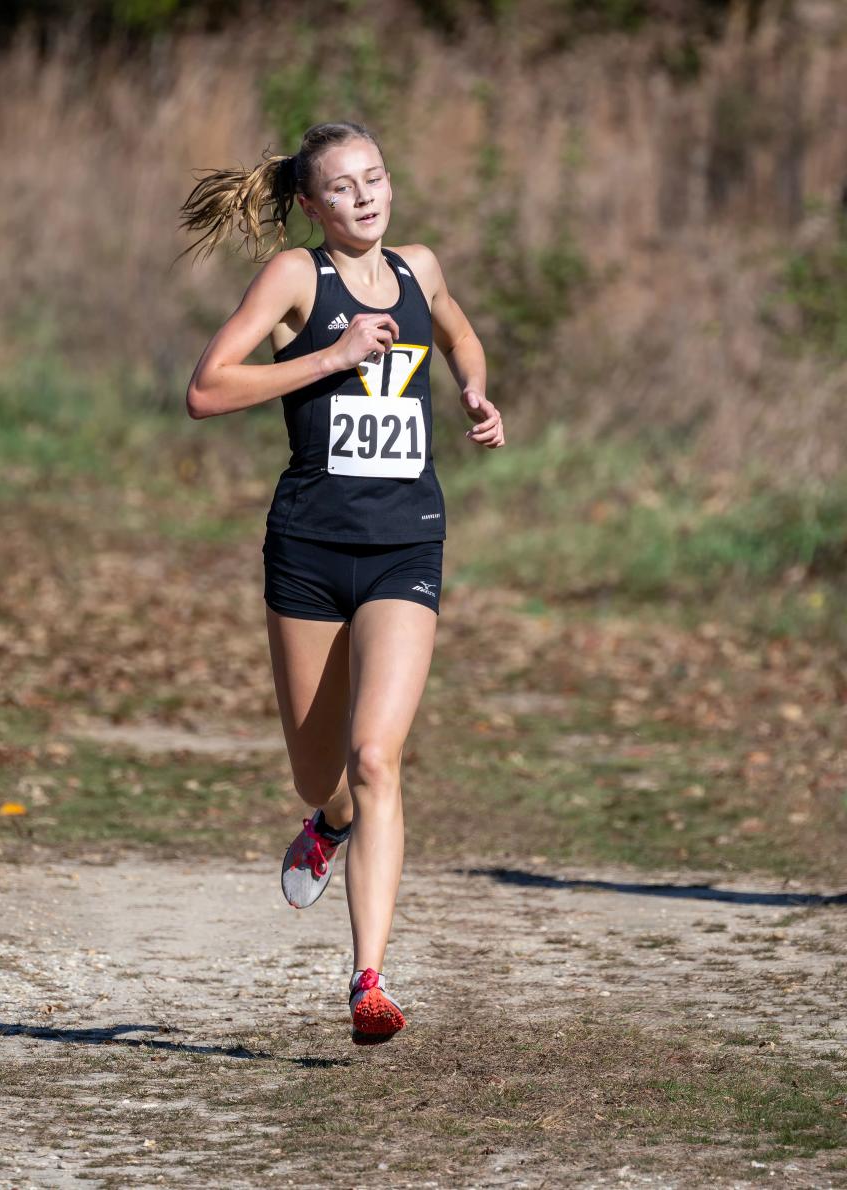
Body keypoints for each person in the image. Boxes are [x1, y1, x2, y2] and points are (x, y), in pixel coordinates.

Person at [180, 121, 504, 1044]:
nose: (366, 197)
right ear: (312, 205)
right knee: (322, 771)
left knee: (378, 756)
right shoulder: (295, 279)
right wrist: (329, 356)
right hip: (309, 551)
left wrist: (476, 389)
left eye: (377, 179)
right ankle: (327, 821)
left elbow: (461, 335)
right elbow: (207, 389)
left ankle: (369, 980)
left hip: (407, 544)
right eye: (345, 188)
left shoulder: (420, 268)